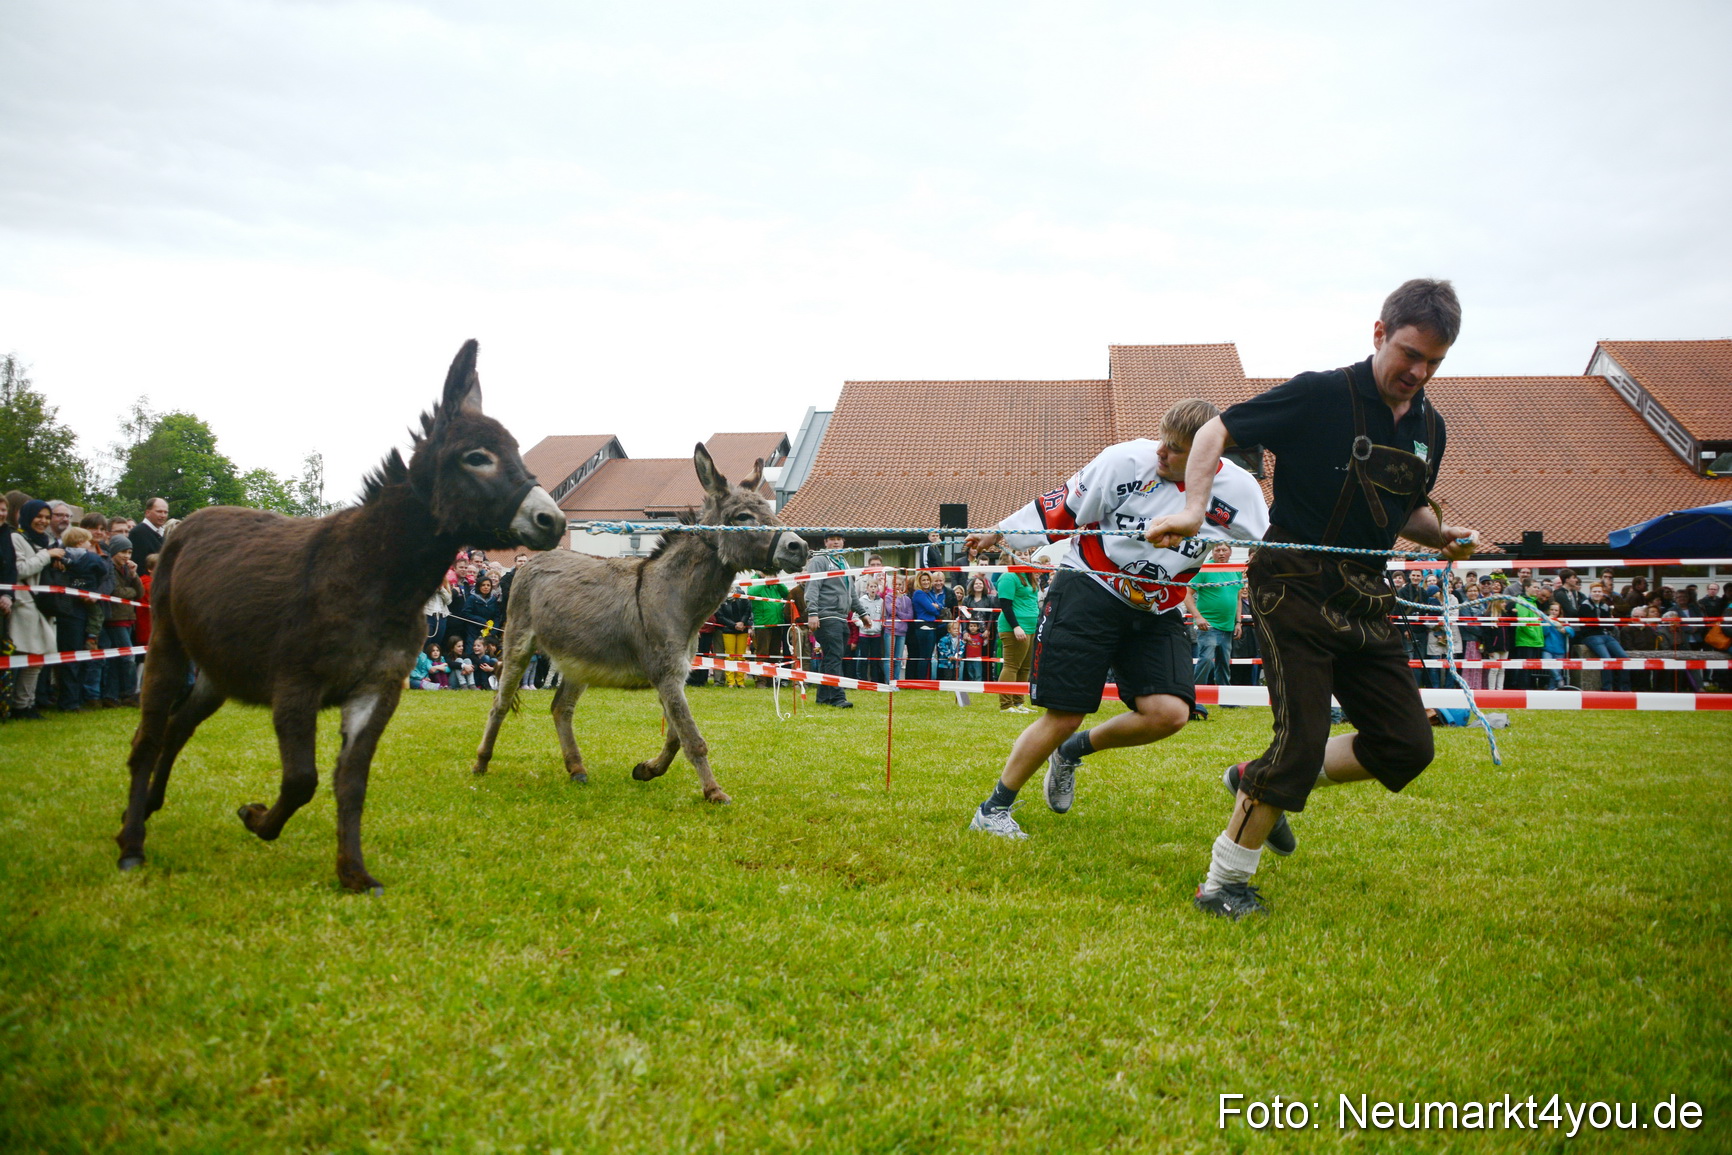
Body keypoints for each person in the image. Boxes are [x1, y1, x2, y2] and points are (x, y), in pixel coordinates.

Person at [1145, 278, 1479, 919]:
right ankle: (1224, 883)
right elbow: (1216, 431)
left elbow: (1405, 513)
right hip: (1291, 585)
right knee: (1299, 740)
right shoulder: (1321, 393)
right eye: (1409, 353)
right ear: (1379, 333)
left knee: (1406, 745)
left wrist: (1445, 538)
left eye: (1434, 362)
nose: (1418, 371)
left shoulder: (1431, 428)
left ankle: (1254, 779)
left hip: (1364, 596)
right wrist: (1192, 506)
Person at [964, 397, 1269, 840]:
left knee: (1169, 713)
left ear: (1209, 455)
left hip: (1159, 606)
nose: (1161, 453)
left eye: (1177, 449)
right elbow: (1059, 508)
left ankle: (1073, 751)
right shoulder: (1122, 461)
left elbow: (1276, 546)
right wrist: (1001, 531)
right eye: (1162, 440)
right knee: (1064, 712)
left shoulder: (1241, 493)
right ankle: (993, 809)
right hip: (1091, 587)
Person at [8, 500, 63, 719]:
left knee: (38, 657)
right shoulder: (16, 539)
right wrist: (46, 557)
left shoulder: (47, 541)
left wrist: (56, 562)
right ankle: (17, 704)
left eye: (47, 517)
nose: (43, 521)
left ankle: (27, 703)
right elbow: (19, 569)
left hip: (44, 605)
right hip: (25, 604)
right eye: (39, 516)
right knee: (24, 655)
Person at [803, 534, 870, 707]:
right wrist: (812, 613)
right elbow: (812, 587)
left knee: (831, 658)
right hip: (826, 615)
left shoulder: (843, 562)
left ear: (843, 542)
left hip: (841, 617)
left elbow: (851, 593)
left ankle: (823, 697)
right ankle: (837, 697)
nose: (835, 542)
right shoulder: (820, 561)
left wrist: (862, 613)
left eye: (838, 539)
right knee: (834, 656)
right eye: (831, 539)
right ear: (825, 543)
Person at [1185, 542, 1241, 698]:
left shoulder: (1235, 570)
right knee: (1206, 660)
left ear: (1230, 553)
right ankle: (1194, 696)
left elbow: (1238, 598)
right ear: (1213, 552)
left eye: (1225, 550)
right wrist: (1197, 616)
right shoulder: (1205, 569)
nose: (1221, 553)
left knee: (1224, 664)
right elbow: (1186, 593)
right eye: (1218, 550)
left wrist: (1238, 622)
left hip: (1228, 626)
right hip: (1208, 625)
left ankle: (1226, 698)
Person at [101, 535, 143, 706]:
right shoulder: (109, 569)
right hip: (115, 618)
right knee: (128, 658)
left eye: (129, 552)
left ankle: (111, 695)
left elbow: (139, 593)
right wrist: (131, 591)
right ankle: (129, 693)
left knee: (117, 658)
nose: (126, 556)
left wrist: (134, 576)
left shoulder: (127, 570)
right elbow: (116, 592)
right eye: (122, 552)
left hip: (127, 618)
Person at [994, 565, 1040, 712]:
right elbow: (1005, 605)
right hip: (1015, 627)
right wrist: (1015, 626)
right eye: (1019, 553)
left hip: (1031, 627)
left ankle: (1018, 702)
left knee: (1025, 667)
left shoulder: (1029, 575)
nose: (1024, 556)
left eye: (1026, 553)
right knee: (1012, 666)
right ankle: (1006, 705)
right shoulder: (1009, 576)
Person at [747, 572, 792, 686]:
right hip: (763, 624)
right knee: (762, 653)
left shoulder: (775, 584)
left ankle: (771, 680)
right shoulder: (754, 580)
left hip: (777, 623)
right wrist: (765, 580)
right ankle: (761, 681)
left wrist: (777, 580)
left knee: (775, 654)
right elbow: (751, 592)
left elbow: (786, 593)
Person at [907, 570, 945, 679]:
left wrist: (937, 607)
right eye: (923, 580)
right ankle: (921, 680)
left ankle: (923, 680)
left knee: (928, 657)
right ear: (919, 581)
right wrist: (936, 608)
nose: (926, 582)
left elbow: (940, 606)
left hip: (931, 627)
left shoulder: (928, 593)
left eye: (928, 579)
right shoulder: (919, 593)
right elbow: (933, 610)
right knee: (924, 657)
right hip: (924, 628)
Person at [716, 587, 755, 687]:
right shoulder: (721, 599)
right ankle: (731, 682)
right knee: (730, 656)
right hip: (728, 630)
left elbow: (748, 611)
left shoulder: (743, 597)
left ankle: (740, 681)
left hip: (742, 630)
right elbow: (720, 617)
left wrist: (742, 622)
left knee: (741, 656)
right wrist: (734, 625)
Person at [131, 497, 168, 573]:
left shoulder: (161, 533)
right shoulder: (138, 533)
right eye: (159, 511)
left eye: (165, 512)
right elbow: (139, 566)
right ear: (147, 513)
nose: (163, 515)